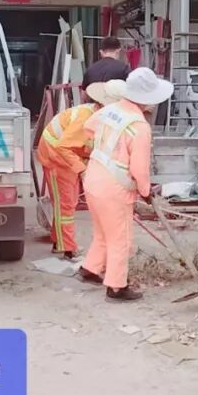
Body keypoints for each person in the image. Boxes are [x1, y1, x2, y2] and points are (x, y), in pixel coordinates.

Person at [78, 67, 173, 302]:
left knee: (103, 231)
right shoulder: (139, 127)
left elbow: (88, 127)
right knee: (120, 238)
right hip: (114, 187)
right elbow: (139, 169)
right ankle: (116, 286)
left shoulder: (110, 110)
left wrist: (107, 145)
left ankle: (90, 268)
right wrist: (146, 191)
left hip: (93, 178)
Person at [37, 80, 126, 259]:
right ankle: (68, 248)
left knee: (66, 203)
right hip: (56, 158)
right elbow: (64, 147)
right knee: (66, 204)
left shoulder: (97, 116)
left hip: (67, 157)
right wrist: (82, 170)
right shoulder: (86, 119)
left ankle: (59, 241)